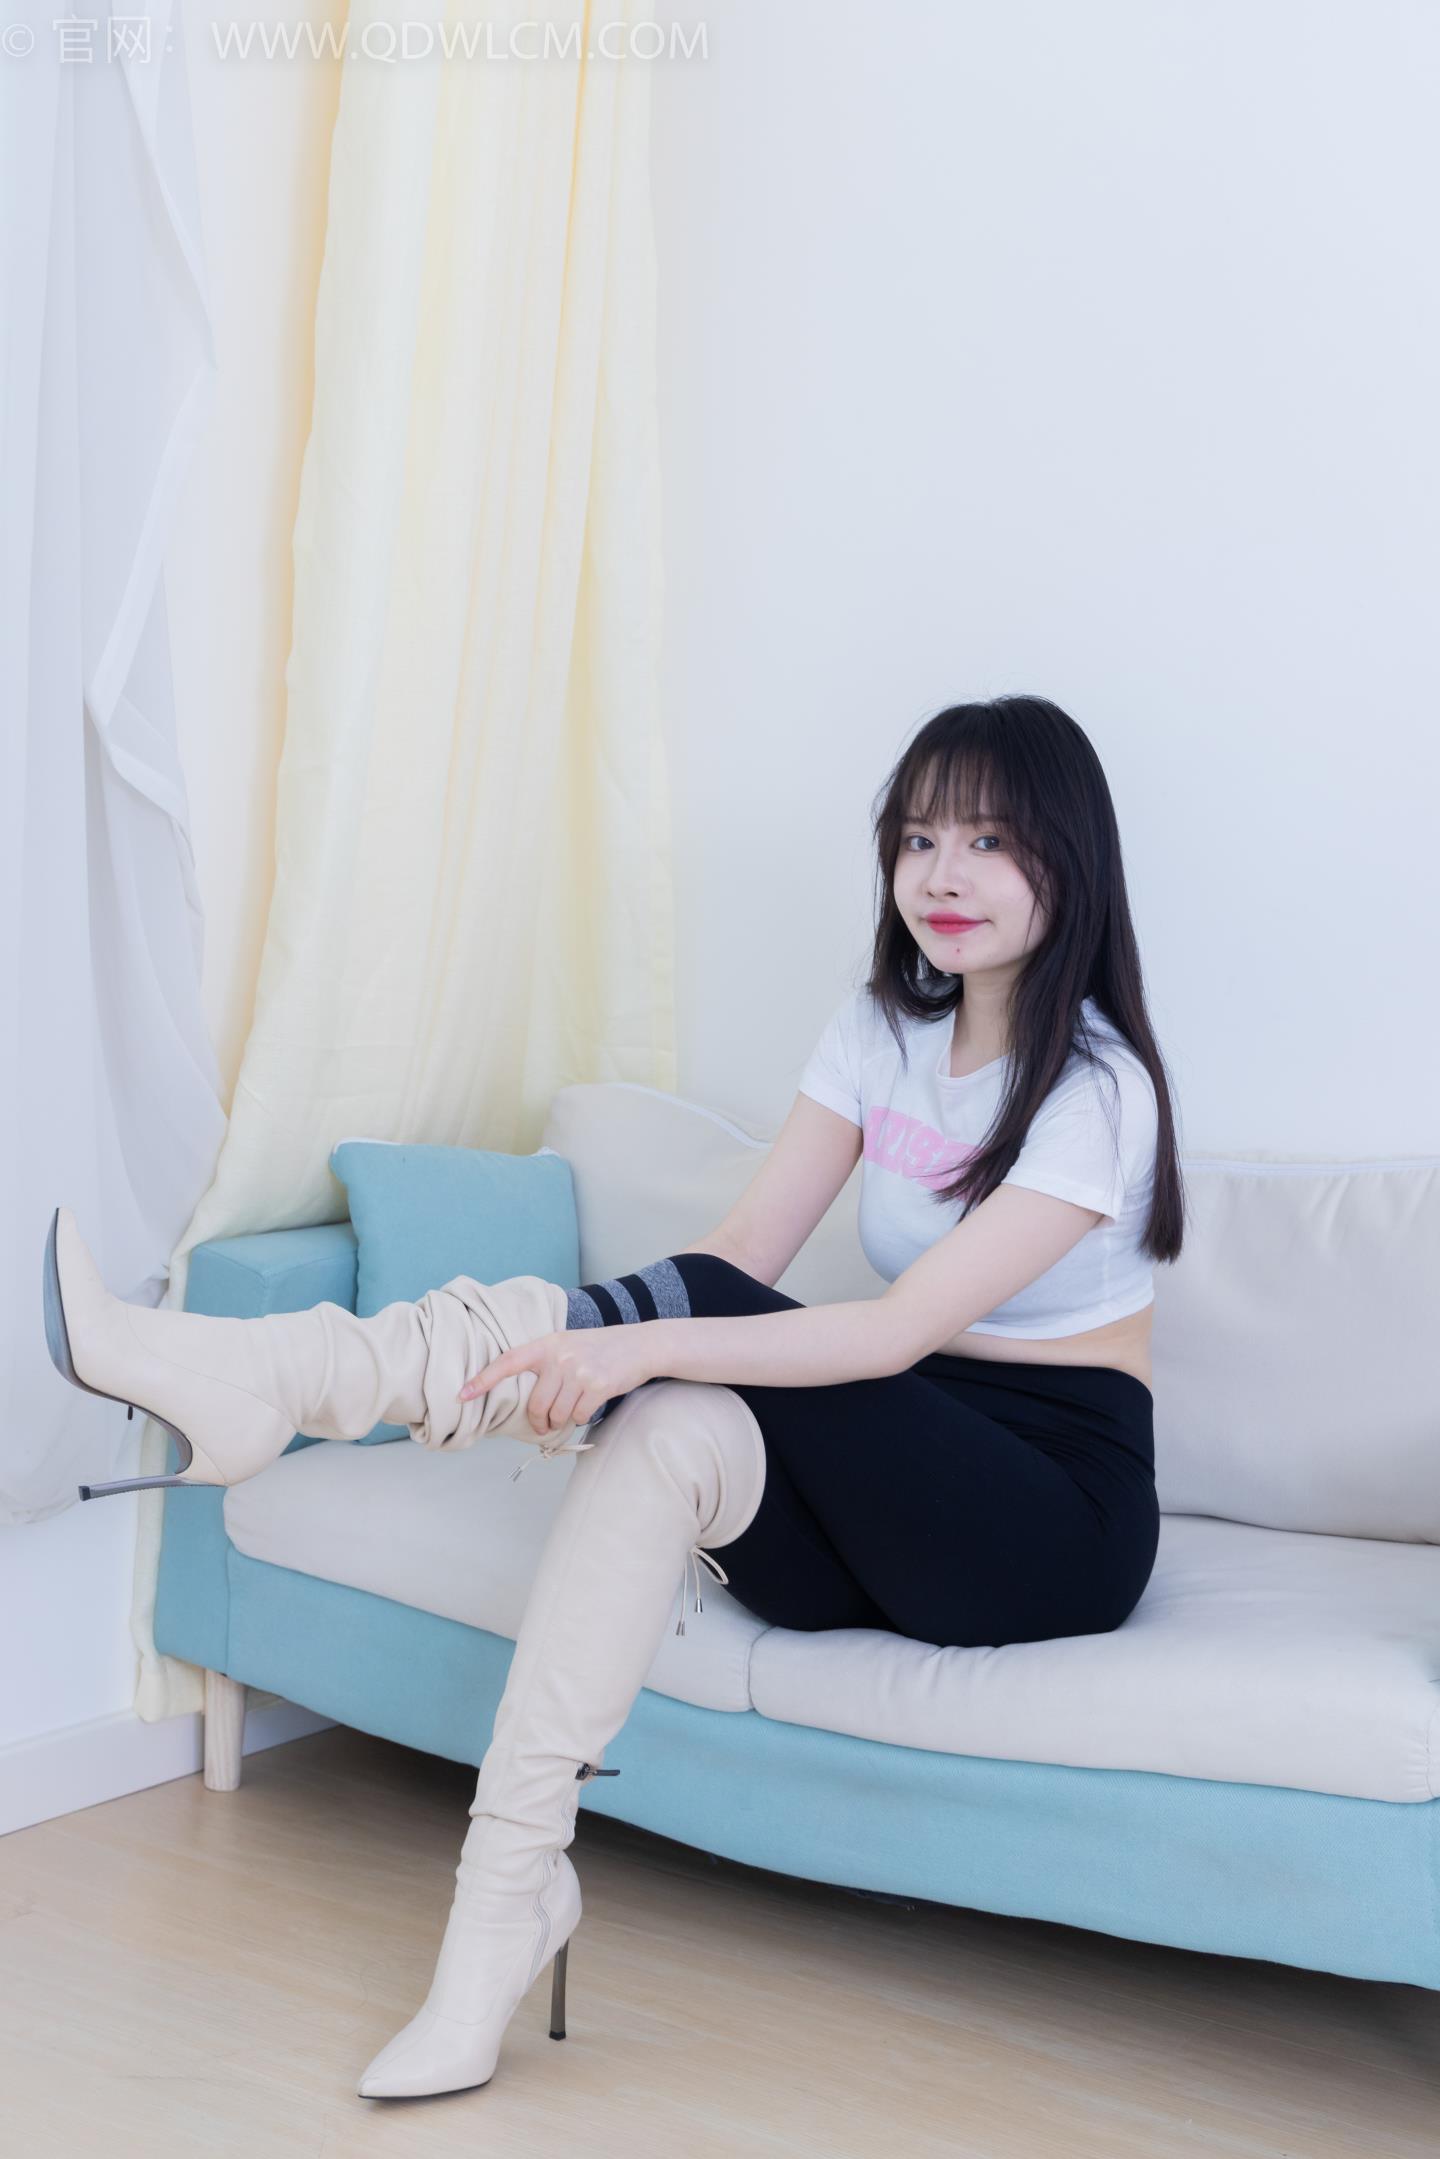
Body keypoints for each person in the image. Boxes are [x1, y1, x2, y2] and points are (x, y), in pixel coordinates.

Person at [44, 692, 1185, 2104]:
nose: (943, 875)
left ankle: (282, 1379)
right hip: (898, 1483)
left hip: (1045, 1518)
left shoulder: (1097, 1091)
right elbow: (742, 1254)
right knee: (670, 1428)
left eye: (990, 841)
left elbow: (890, 1334)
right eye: (918, 839)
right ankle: (502, 1913)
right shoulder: (880, 1030)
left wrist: (630, 1344)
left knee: (675, 1350)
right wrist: (636, 1360)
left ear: (1069, 859)